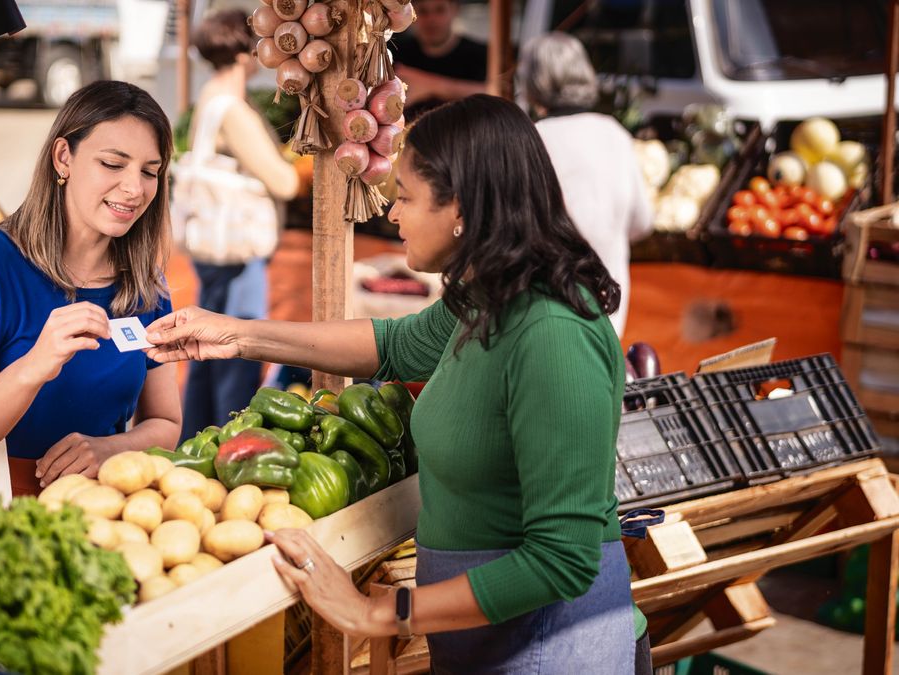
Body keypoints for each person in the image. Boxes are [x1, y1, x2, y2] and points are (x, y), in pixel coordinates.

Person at [144, 95, 651, 674]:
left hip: (553, 649)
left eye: (406, 197)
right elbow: (394, 346)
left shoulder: (555, 333)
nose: (393, 213)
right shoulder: (487, 299)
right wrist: (236, 336)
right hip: (486, 644)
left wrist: (377, 613)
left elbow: (564, 559)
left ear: (461, 206)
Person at [0, 80, 182, 501]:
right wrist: (36, 364)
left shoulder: (145, 283)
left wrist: (109, 450)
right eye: (113, 164)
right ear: (63, 157)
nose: (135, 189)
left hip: (99, 516)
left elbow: (166, 424)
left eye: (149, 172)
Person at [179, 10, 300, 439]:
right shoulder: (232, 109)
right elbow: (283, 181)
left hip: (213, 249)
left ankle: (193, 442)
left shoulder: (210, 96)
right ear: (244, 51)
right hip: (237, 253)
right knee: (237, 353)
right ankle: (230, 443)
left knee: (205, 355)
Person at [519, 31, 653, 338]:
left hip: (545, 316)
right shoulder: (614, 133)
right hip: (607, 312)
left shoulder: (532, 139)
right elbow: (642, 222)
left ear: (533, 85)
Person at [389, 0, 488, 118]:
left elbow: (494, 93)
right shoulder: (394, 51)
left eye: (440, 10)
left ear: (455, 10)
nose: (431, 19)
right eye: (423, 11)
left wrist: (430, 84)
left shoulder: (481, 54)